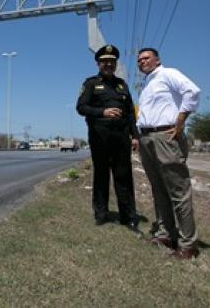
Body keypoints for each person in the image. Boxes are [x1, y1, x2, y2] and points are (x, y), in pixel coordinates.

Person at [136, 47, 201, 260]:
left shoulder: (168, 74)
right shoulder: (148, 84)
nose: (141, 61)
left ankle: (187, 245)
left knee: (178, 192)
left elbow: (192, 91)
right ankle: (165, 235)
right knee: (159, 190)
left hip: (166, 137)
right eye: (139, 60)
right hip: (147, 139)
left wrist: (180, 122)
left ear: (157, 60)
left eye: (146, 58)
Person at [76, 44, 139, 229]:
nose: (108, 64)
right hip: (99, 138)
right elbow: (81, 107)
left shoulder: (122, 85)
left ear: (116, 64)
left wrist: (135, 136)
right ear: (98, 64)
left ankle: (128, 216)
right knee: (101, 176)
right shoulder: (91, 84)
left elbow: (130, 114)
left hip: (121, 138)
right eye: (105, 62)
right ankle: (101, 213)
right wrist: (103, 112)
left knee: (124, 176)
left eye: (112, 62)